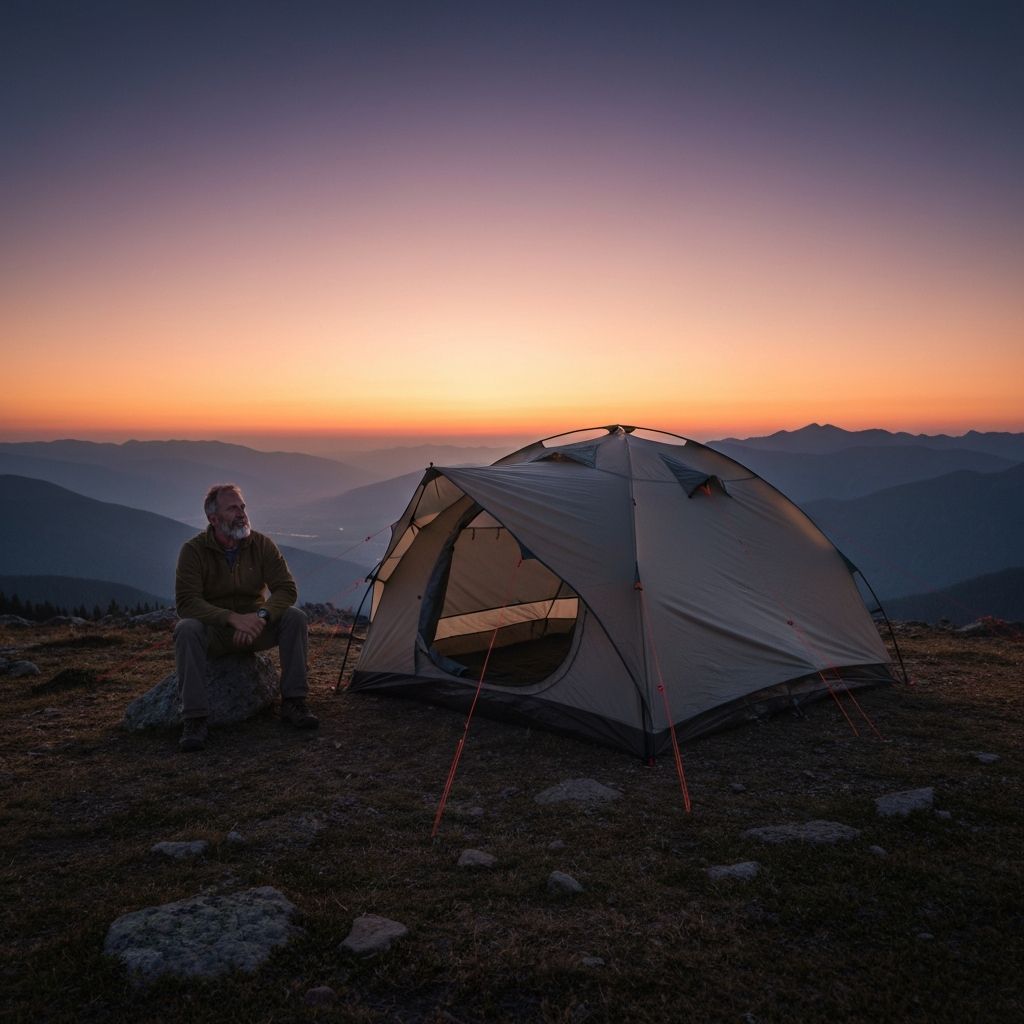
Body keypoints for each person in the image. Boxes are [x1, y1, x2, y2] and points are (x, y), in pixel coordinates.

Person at [174, 483, 318, 751]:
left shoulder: (261, 545)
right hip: (216, 631)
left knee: (294, 618)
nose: (241, 513)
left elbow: (286, 589)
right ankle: (194, 718)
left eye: (242, 507)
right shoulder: (193, 551)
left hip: (255, 628)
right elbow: (187, 602)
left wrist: (260, 616)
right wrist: (230, 618)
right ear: (213, 518)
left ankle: (294, 702)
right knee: (186, 630)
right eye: (232, 508)